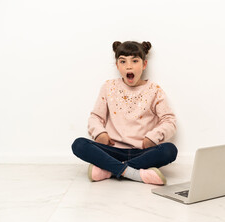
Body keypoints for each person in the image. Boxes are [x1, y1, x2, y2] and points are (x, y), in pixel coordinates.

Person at [71, 41, 178, 185]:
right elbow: (95, 117)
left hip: (142, 151)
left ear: (144, 64)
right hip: (112, 150)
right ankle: (134, 173)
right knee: (79, 144)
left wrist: (153, 137)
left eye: (135, 61)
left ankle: (108, 170)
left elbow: (169, 120)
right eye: (123, 61)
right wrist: (100, 133)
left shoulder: (154, 90)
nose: (129, 66)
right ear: (117, 65)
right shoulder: (109, 87)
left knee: (169, 150)